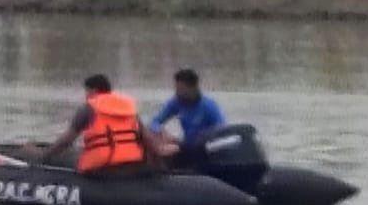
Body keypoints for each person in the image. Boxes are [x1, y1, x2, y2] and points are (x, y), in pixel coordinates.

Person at [39, 75, 177, 176]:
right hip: (133, 165)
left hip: (103, 169)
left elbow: (66, 141)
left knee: (64, 157)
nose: (86, 96)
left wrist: (44, 157)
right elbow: (147, 140)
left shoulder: (88, 108)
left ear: (93, 90)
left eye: (87, 91)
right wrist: (160, 166)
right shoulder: (128, 109)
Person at [150, 69, 227, 146]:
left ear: (193, 88)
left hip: (206, 148)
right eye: (176, 88)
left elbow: (222, 132)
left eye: (181, 89)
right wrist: (160, 131)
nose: (176, 92)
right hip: (186, 146)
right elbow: (154, 122)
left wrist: (206, 136)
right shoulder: (176, 102)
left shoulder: (209, 106)